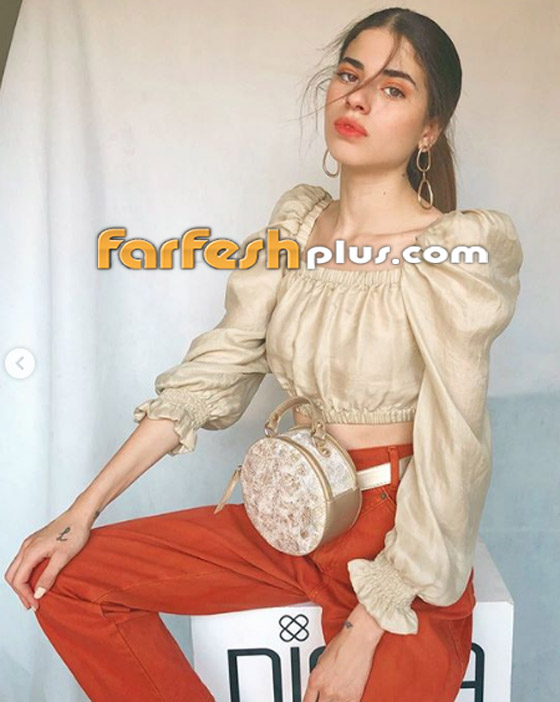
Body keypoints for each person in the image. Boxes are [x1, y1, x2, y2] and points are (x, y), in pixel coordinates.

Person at [5, 7, 523, 702]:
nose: (359, 99)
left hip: (403, 545)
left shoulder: (454, 253)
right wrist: (81, 511)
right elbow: (212, 373)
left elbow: (458, 454)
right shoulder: (297, 228)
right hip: (292, 515)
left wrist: (365, 627)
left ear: (429, 129)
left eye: (393, 88)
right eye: (350, 75)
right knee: (66, 580)